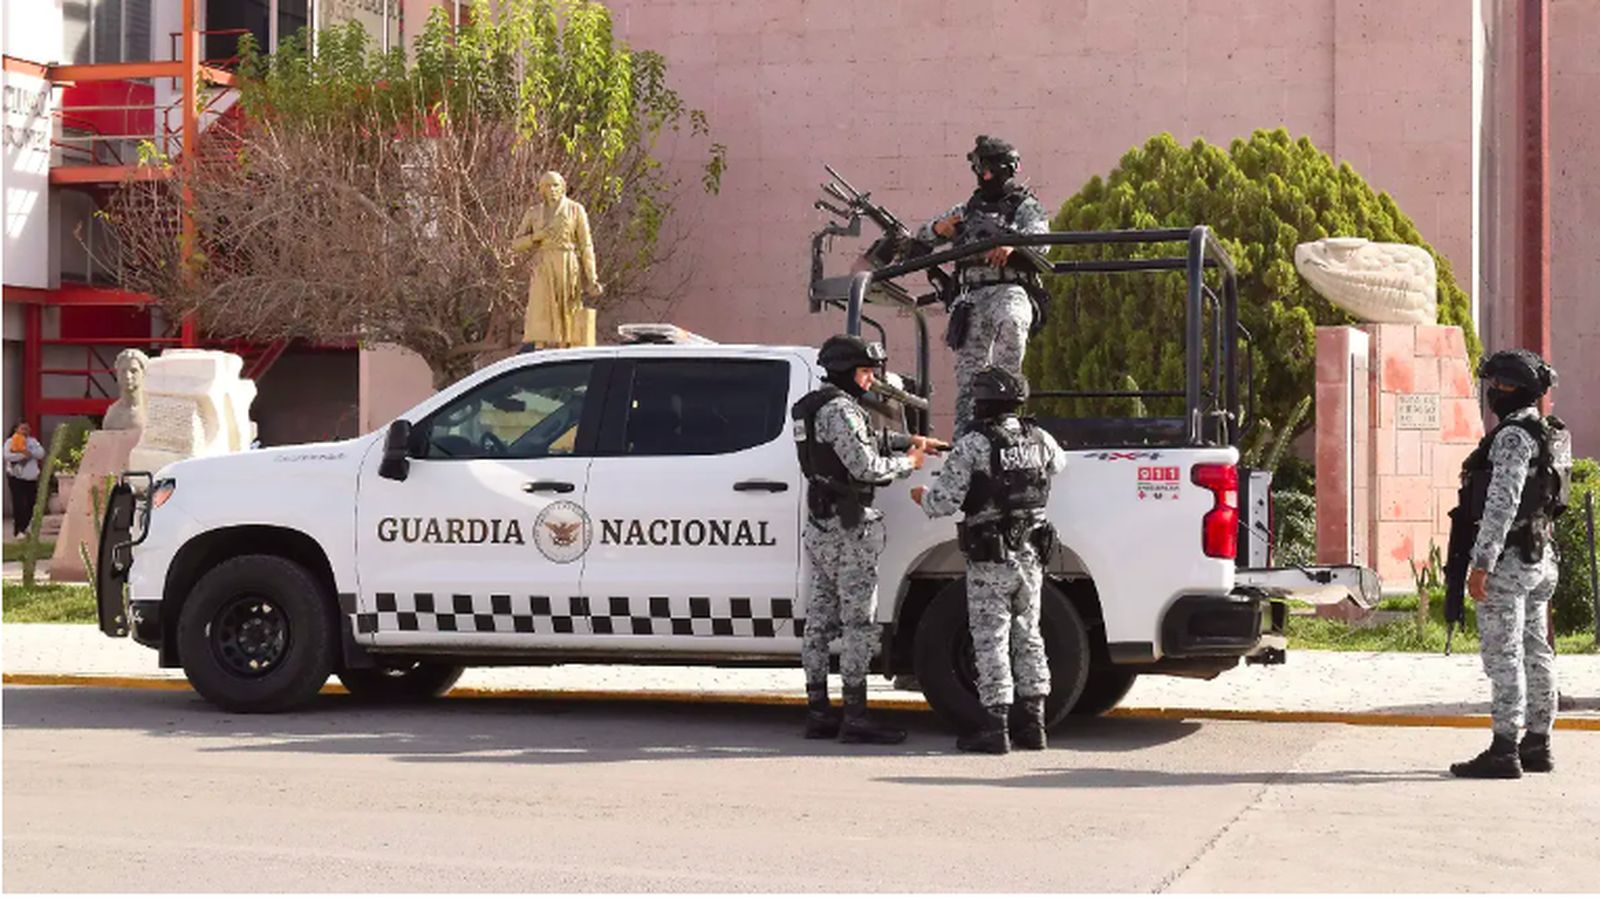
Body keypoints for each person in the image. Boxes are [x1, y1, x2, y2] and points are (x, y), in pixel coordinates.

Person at [793, 334, 941, 744]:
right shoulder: (841, 411)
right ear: (844, 371)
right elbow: (864, 467)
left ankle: (819, 711)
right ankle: (855, 717)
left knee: (820, 623)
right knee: (858, 623)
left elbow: (854, 444)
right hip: (850, 528)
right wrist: (908, 463)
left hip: (823, 526)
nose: (870, 378)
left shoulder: (814, 406)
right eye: (864, 370)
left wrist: (906, 440)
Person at [911, 367, 1066, 753]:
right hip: (1031, 554)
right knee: (1029, 634)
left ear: (983, 402)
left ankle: (994, 728)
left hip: (991, 557)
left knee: (990, 637)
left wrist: (920, 495)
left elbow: (942, 502)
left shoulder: (974, 444)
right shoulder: (1040, 438)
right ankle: (1034, 725)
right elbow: (1058, 466)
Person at [1451, 349, 1571, 779]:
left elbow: (1501, 504)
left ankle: (1505, 749)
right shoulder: (1553, 433)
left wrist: (1481, 563)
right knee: (1538, 652)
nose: (1492, 393)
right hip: (1541, 557)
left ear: (1514, 389)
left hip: (1510, 561)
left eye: (1497, 385)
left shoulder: (1512, 437)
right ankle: (1538, 742)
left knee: (1503, 656)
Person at [915, 135, 1050, 438]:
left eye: (991, 169)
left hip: (1009, 288)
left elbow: (1041, 242)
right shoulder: (966, 210)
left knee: (1012, 328)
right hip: (970, 298)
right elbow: (923, 237)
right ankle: (967, 438)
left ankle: (1007, 424)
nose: (985, 176)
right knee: (969, 378)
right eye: (980, 169)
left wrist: (1013, 247)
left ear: (1008, 169)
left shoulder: (1025, 207)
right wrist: (939, 229)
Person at [512, 171, 603, 352]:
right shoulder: (534, 213)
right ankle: (539, 348)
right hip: (544, 264)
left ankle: (565, 348)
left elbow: (586, 245)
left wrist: (591, 277)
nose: (552, 189)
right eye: (547, 186)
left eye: (555, 185)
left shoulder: (575, 210)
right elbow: (516, 244)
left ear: (562, 187)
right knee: (541, 308)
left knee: (567, 312)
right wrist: (535, 237)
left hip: (567, 262)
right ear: (541, 190)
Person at [5, 423, 46, 538]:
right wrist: (23, 455)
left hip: (31, 477)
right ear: (16, 429)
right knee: (19, 503)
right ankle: (19, 529)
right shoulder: (10, 441)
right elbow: (7, 456)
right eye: (22, 428)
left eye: (27, 428)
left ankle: (27, 527)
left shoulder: (32, 442)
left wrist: (30, 452)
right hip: (16, 477)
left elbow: (41, 453)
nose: (25, 431)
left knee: (30, 503)